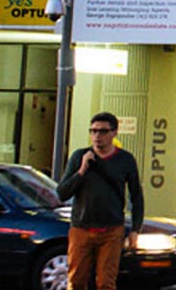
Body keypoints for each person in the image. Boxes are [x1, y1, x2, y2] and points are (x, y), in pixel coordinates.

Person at [56, 112, 144, 290]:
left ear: (114, 133)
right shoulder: (79, 156)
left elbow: (136, 195)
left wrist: (135, 229)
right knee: (77, 281)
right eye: (93, 131)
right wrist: (82, 170)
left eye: (103, 131)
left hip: (111, 230)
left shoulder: (125, 160)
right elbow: (62, 193)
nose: (97, 136)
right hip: (82, 228)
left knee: (106, 282)